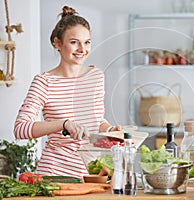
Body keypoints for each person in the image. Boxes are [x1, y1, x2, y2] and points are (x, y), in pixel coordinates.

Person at [14, 6, 120, 178]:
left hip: (91, 174)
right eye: (74, 42)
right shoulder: (44, 82)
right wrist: (63, 124)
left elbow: (96, 120)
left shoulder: (96, 77)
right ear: (57, 43)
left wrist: (109, 130)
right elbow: (20, 129)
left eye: (87, 42)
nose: (82, 49)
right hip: (55, 174)